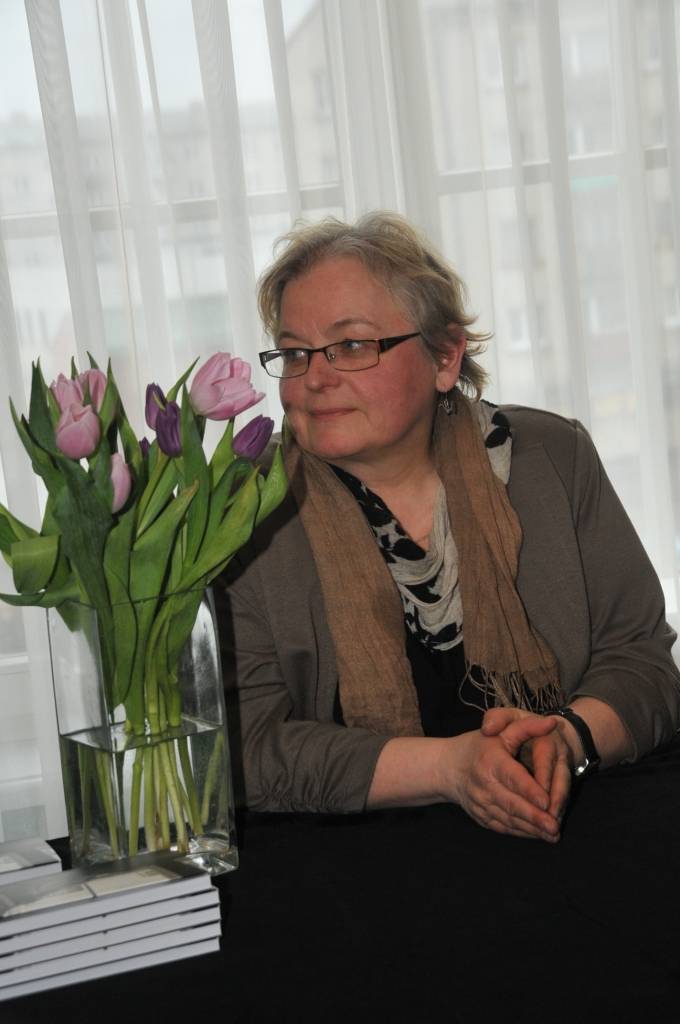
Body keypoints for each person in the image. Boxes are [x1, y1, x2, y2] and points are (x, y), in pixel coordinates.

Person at [217, 211, 680, 843]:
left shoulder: (553, 456)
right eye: (295, 352)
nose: (315, 379)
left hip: (578, 817)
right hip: (353, 855)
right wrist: (447, 769)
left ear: (444, 356)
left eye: (352, 346)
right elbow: (245, 749)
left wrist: (567, 738)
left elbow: (644, 664)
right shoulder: (241, 510)